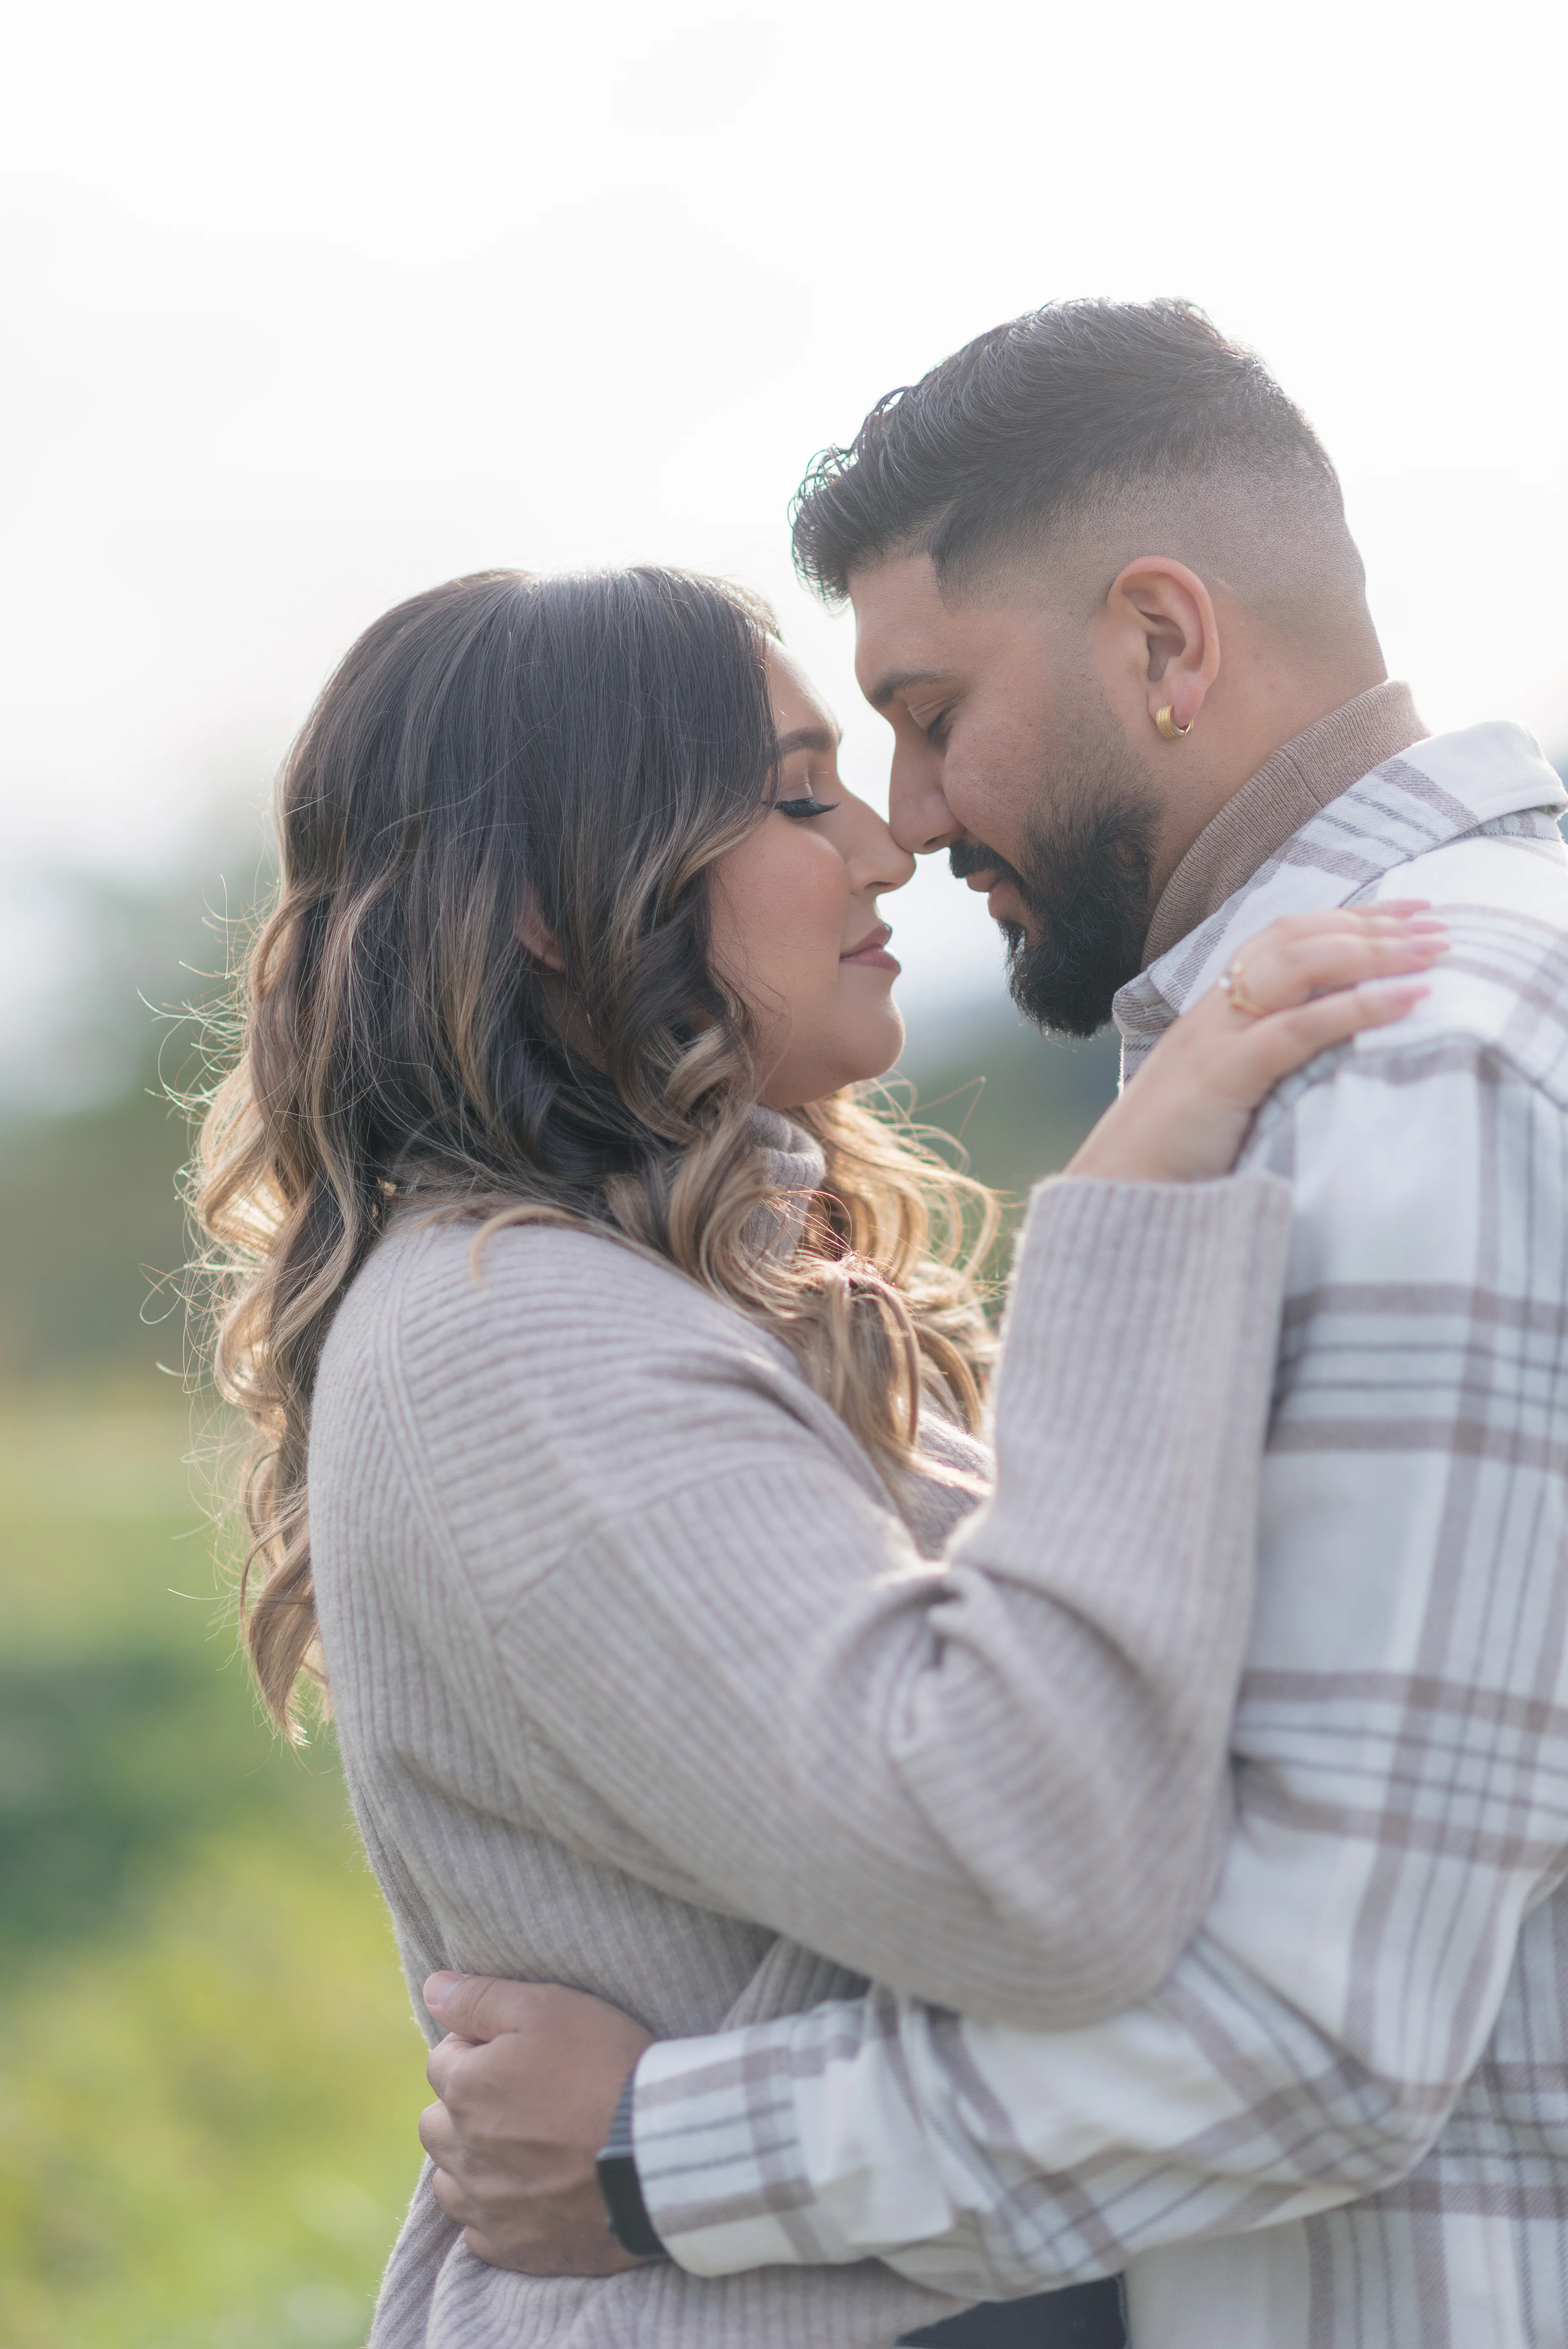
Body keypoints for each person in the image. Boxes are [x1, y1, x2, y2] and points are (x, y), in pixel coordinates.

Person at [416, 303, 1568, 2349]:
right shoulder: (1454, 1004)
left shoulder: (1413, 1072)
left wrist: (653, 2150)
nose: (915, 815)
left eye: (932, 713)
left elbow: (1319, 2034)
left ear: (1163, 641)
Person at [196, 559, 1435, 2349]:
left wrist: (655, 2125)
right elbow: (1035, 1868)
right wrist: (1135, 1205)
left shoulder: (684, 1295)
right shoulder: (506, 1333)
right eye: (796, 798)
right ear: (552, 900)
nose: (885, 847)